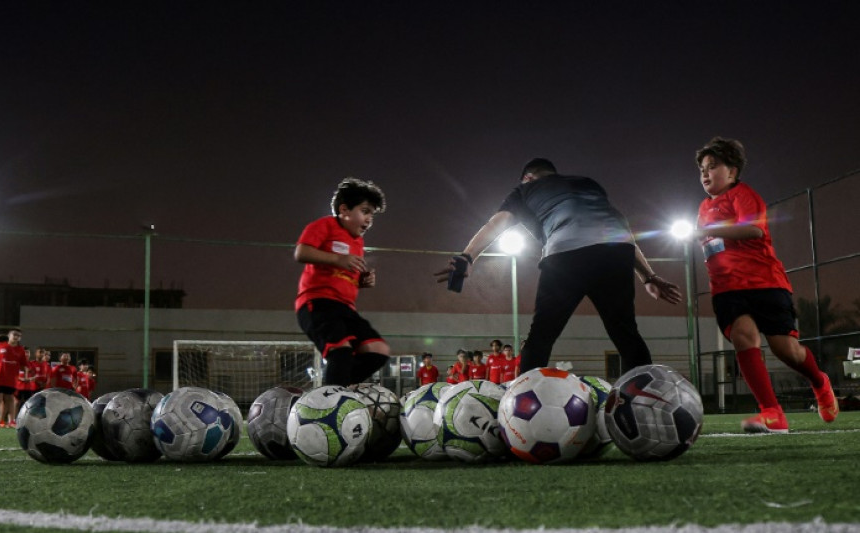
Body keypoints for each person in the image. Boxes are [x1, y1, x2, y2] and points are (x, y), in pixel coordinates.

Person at [437, 158, 682, 375]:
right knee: (626, 334)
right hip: (616, 253)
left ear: (527, 177)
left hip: (567, 254)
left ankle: (521, 411)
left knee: (541, 336)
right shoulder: (588, 182)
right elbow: (620, 227)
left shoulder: (524, 189)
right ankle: (645, 405)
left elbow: (497, 223)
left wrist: (468, 257)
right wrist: (648, 276)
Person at [693, 137, 838, 433]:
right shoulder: (703, 207)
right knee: (744, 337)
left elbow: (754, 230)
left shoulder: (743, 194)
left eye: (712, 167)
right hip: (727, 289)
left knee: (787, 351)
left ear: (732, 172)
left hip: (765, 283)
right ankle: (772, 414)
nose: (705, 174)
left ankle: (819, 382)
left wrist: (711, 230)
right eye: (701, 170)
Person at [294, 177, 390, 386]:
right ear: (344, 210)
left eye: (372, 215)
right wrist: (339, 259)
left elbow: (346, 275)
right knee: (341, 351)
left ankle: (333, 391)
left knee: (378, 351)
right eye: (365, 211)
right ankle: (331, 403)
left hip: (345, 308)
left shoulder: (358, 242)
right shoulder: (325, 225)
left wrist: (361, 281)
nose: (369, 219)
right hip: (318, 303)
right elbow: (301, 252)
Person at [0, 329, 29, 428]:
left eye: (18, 335)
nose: (16, 337)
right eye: (14, 334)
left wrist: (26, 374)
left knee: (8, 399)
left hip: (11, 379)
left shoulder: (21, 350)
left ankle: (2, 422)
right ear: (9, 335)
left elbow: (24, 365)